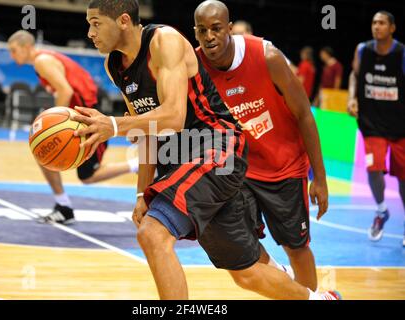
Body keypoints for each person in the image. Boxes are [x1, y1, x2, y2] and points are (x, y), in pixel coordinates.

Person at [73, 0, 340, 300]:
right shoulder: (115, 66)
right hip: (183, 160)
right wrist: (140, 193)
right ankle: (320, 299)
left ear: (123, 21)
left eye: (95, 23)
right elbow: (145, 131)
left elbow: (173, 116)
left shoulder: (165, 42)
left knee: (152, 233)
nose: (90, 32)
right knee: (246, 273)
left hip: (216, 149)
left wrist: (112, 124)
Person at [194, 0, 328, 291]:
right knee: (244, 248)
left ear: (230, 29)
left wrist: (319, 176)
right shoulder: (194, 67)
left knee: (296, 247)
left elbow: (304, 113)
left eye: (216, 28)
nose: (209, 36)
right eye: (202, 30)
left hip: (285, 167)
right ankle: (286, 282)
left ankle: (311, 297)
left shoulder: (267, 56)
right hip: (237, 172)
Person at [7, 30, 138, 225]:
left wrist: (54, 122)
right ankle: (63, 206)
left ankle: (138, 164)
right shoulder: (44, 59)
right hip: (80, 115)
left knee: (87, 175)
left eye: (14, 50)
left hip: (89, 115)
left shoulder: (42, 61)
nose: (12, 55)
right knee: (43, 152)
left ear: (26, 47)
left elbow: (65, 91)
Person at [347, 11, 405, 246]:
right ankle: (381, 211)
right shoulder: (363, 50)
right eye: (373, 22)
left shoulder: (401, 53)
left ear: (392, 28)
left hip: (400, 126)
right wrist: (352, 97)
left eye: (381, 23)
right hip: (372, 124)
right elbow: (354, 74)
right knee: (374, 168)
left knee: (403, 178)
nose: (376, 26)